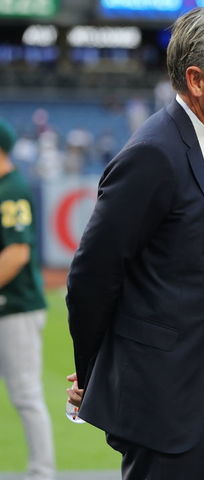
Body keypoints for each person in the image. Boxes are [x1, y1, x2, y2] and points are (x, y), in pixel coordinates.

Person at [65, 8, 204, 479]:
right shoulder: (154, 154)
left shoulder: (200, 148)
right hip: (164, 410)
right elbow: (91, 277)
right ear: (197, 80)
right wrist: (96, 375)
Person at [0, 118, 55, 480]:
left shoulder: (12, 188)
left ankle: (41, 474)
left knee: (26, 395)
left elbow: (17, 253)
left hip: (16, 308)